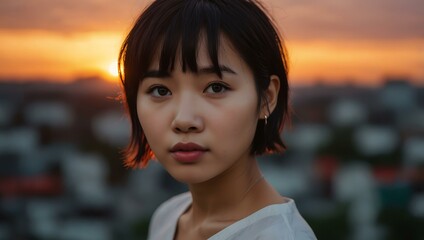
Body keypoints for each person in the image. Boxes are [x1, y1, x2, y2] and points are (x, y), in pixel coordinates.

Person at [118, 0, 316, 239]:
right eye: (160, 90)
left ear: (266, 97)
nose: (184, 120)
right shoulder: (168, 217)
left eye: (215, 87)